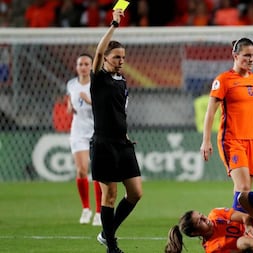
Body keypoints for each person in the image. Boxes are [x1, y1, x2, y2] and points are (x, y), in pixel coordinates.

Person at [200, 37, 253, 214]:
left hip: (252, 140)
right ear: (235, 55)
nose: (251, 59)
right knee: (243, 186)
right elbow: (210, 112)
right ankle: (238, 224)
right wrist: (206, 141)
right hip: (232, 140)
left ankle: (238, 227)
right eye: (246, 55)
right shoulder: (223, 80)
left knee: (245, 194)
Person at [90, 9, 143, 253]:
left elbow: (121, 114)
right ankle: (112, 246)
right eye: (117, 56)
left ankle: (106, 232)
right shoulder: (98, 79)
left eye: (123, 57)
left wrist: (126, 135)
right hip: (103, 144)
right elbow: (98, 51)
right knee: (109, 194)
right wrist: (114, 24)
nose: (121, 60)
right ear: (106, 58)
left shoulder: (122, 82)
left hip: (122, 143)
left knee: (135, 193)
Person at [165, 191, 253, 253]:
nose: (205, 218)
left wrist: (248, 226)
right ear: (195, 233)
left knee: (243, 197)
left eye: (201, 215)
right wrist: (250, 241)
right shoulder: (212, 249)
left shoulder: (215, 214)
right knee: (242, 242)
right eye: (200, 221)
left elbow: (244, 216)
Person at [66, 53, 102, 226]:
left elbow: (103, 106)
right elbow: (70, 102)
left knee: (97, 171)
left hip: (96, 131)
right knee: (81, 170)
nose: (84, 67)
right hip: (78, 131)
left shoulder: (96, 84)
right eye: (80, 64)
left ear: (91, 66)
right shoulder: (71, 84)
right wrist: (69, 107)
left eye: (87, 64)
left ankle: (99, 212)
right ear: (76, 67)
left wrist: (89, 101)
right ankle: (86, 209)